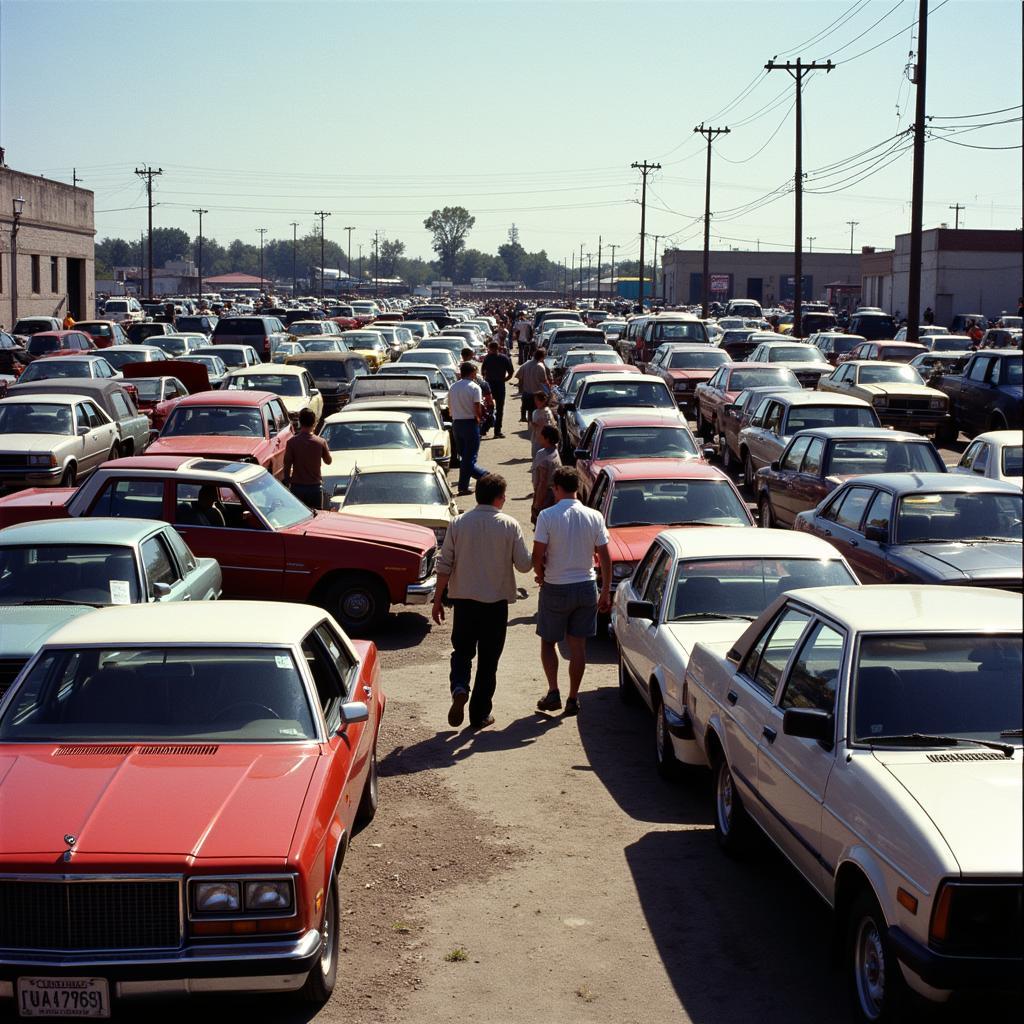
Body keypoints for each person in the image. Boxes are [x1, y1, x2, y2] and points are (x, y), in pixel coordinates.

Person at [432, 473, 532, 730]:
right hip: (495, 604)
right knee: (489, 661)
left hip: (464, 602)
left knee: (462, 652)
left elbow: (445, 564)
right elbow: (523, 565)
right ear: (499, 498)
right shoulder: (509, 525)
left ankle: (459, 687)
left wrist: (437, 600)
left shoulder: (459, 523)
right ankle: (479, 714)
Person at [532, 466, 612, 717]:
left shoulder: (547, 516)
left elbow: (537, 555)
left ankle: (553, 691)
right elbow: (606, 558)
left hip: (556, 586)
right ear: (577, 488)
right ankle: (573, 697)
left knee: (548, 641)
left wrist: (541, 574)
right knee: (579, 647)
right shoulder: (594, 516)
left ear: (556, 488)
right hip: (587, 587)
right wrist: (605, 590)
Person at [449, 361, 487, 496]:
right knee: (469, 457)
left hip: (457, 424)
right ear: (471, 372)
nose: (476, 374)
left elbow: (450, 407)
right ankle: (484, 477)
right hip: (470, 423)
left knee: (464, 456)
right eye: (475, 372)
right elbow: (477, 407)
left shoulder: (453, 387)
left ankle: (468, 483)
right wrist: (479, 419)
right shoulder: (474, 387)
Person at [282, 407, 332, 509]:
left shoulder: (292, 442)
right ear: (314, 423)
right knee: (316, 519)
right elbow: (328, 461)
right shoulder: (320, 442)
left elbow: (286, 464)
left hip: (297, 487)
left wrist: (287, 481)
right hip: (315, 488)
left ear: (300, 422)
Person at [481, 340, 514, 438]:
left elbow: (483, 371)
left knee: (488, 408)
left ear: (490, 348)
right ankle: (497, 431)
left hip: (490, 386)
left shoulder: (487, 358)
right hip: (500, 385)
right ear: (498, 348)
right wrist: (504, 379)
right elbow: (511, 372)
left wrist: (485, 378)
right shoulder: (504, 358)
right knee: (499, 408)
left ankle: (484, 429)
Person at [531, 424, 562, 525]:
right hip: (554, 495)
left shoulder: (542, 455)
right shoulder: (555, 451)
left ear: (547, 439)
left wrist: (537, 504)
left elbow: (542, 481)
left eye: (541, 435)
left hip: (545, 496)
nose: (539, 436)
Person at [515, 347, 552, 424]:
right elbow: (545, 381)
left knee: (529, 412)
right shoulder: (540, 366)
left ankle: (524, 418)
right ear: (542, 357)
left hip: (527, 394)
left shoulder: (525, 364)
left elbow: (519, 377)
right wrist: (549, 390)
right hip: (537, 396)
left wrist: (521, 388)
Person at [530, 390, 556, 459]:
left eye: (537, 400)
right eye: (535, 400)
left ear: (543, 401)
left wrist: (536, 425)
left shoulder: (546, 412)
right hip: (539, 438)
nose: (535, 402)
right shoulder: (536, 412)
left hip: (543, 439)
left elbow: (549, 425)